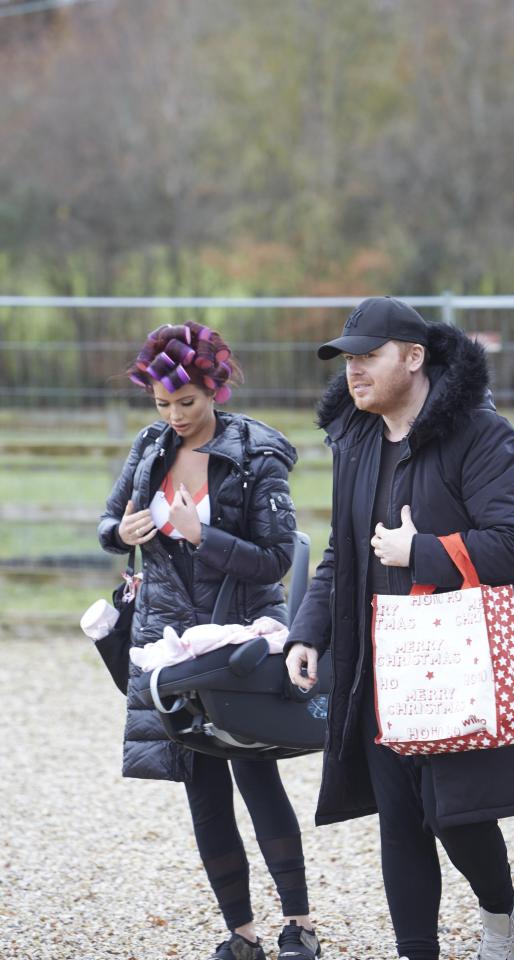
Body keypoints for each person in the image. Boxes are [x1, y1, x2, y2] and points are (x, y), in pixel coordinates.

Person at [285, 297, 514, 960]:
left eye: (367, 356)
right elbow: (339, 551)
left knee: (453, 813)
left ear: (413, 357)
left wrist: (423, 552)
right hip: (379, 660)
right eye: (346, 359)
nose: (353, 372)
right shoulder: (353, 439)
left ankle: (502, 915)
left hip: (458, 659)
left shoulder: (483, 435)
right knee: (401, 819)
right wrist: (308, 630)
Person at [98, 320, 321, 960]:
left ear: (214, 390)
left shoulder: (256, 454)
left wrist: (205, 536)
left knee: (256, 776)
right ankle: (241, 933)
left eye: (186, 403)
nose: (174, 416)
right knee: (200, 784)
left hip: (240, 638)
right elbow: (107, 524)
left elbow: (278, 557)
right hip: (168, 644)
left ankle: (300, 925)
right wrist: (126, 531)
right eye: (163, 403)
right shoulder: (148, 447)